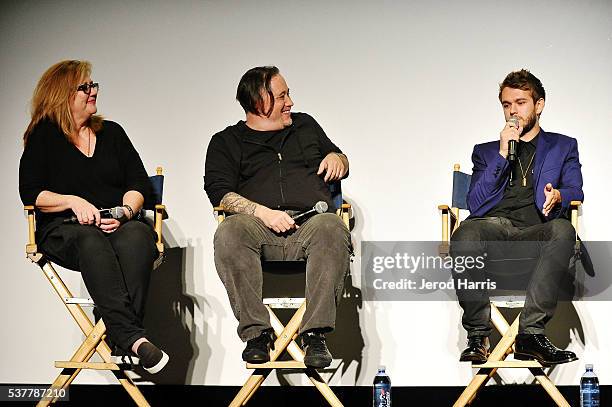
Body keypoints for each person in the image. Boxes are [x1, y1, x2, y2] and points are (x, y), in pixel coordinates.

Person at [18, 60, 168, 374]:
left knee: (140, 236)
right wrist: (72, 201)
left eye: (93, 85)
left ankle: (121, 339)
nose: (93, 92)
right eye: (84, 87)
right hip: (64, 230)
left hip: (114, 223)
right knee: (90, 238)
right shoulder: (44, 136)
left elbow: (138, 184)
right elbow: (31, 193)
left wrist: (126, 212)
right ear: (62, 95)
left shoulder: (112, 133)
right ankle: (130, 337)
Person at [204, 66, 351, 368]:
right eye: (283, 96)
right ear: (260, 103)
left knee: (331, 226)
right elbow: (219, 192)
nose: (291, 102)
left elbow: (341, 158)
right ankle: (257, 334)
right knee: (229, 232)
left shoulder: (305, 126)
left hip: (310, 223)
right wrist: (262, 213)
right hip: (258, 228)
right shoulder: (226, 142)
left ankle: (315, 336)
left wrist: (338, 159)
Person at [451, 69, 583, 365]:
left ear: (539, 105)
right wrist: (501, 154)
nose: (513, 111)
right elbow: (475, 203)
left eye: (520, 103)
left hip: (536, 233)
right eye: (507, 105)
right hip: (493, 232)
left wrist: (559, 195)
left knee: (563, 230)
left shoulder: (563, 146)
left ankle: (530, 335)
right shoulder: (485, 152)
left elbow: (576, 190)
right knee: (465, 233)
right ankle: (477, 335)